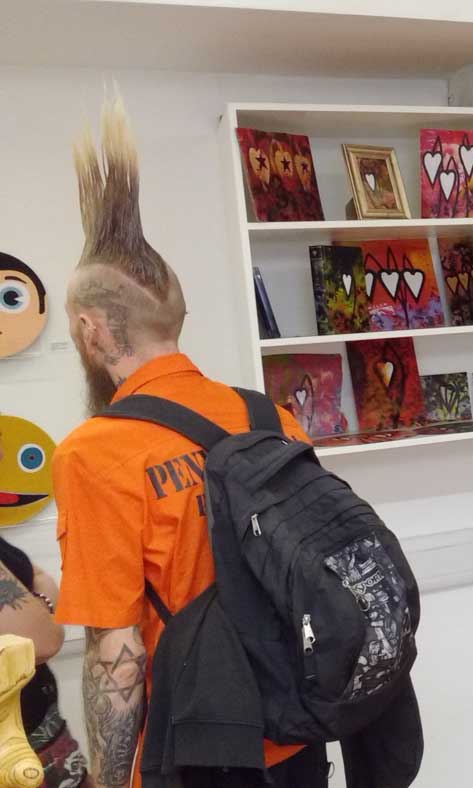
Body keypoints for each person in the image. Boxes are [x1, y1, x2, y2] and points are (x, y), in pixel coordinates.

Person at [51, 96, 330, 788]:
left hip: (200, 749)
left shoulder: (96, 453)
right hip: (297, 732)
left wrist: (111, 782)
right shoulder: (270, 417)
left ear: (90, 330)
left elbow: (115, 655)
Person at [0, 534, 91, 787]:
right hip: (17, 756)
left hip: (43, 737)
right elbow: (41, 639)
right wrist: (42, 606)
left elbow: (38, 576)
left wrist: (38, 606)